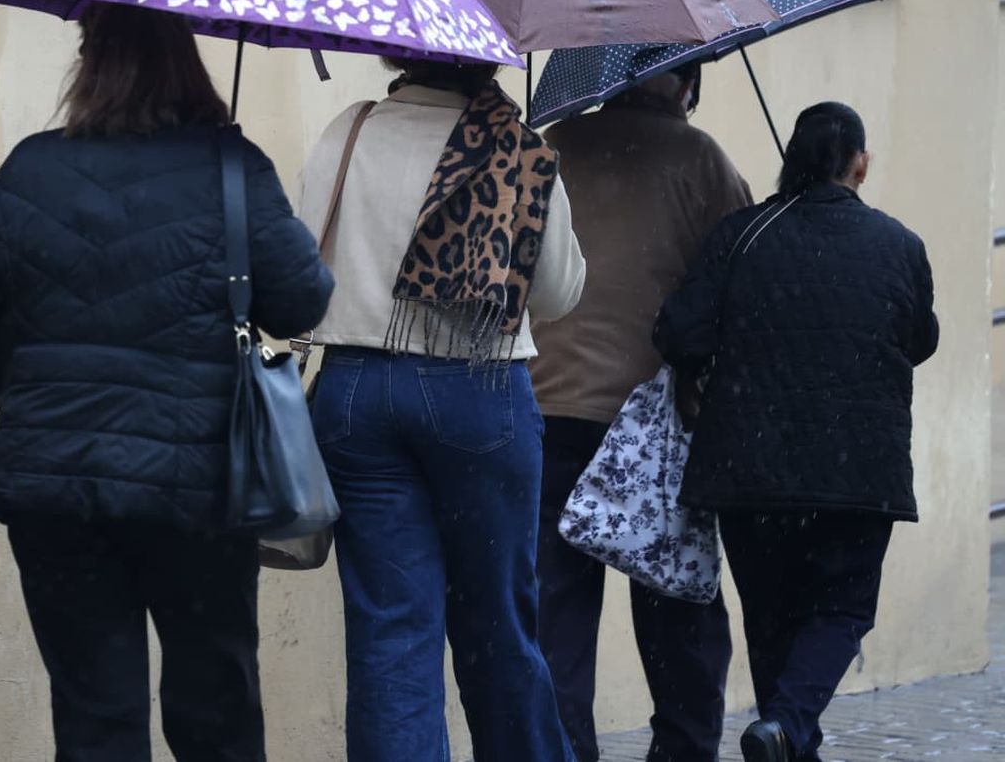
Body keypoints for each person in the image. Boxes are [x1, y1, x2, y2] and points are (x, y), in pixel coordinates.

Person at [0, 4, 333, 762]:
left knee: (95, 713)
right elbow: (305, 298)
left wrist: (40, 407)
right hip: (196, 488)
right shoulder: (231, 166)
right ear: (183, 62)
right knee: (216, 704)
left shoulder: (30, 167)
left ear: (89, 66)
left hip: (55, 489)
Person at [297, 58, 586, 762]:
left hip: (356, 390)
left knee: (391, 632)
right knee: (498, 624)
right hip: (479, 391)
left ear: (398, 53)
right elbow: (557, 293)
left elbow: (302, 263)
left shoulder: (351, 128)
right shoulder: (518, 146)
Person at [654, 102, 939, 762]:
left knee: (772, 626)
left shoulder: (740, 236)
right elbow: (919, 339)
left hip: (751, 475)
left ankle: (782, 731)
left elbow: (678, 332)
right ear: (859, 164)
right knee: (841, 610)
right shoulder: (899, 245)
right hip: (858, 475)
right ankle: (783, 727)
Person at [529, 65, 749, 762]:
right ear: (682, 79)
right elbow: (738, 283)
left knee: (554, 618)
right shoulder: (702, 161)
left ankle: (564, 752)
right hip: (655, 429)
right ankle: (682, 751)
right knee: (679, 611)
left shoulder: (552, 145)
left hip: (548, 408)